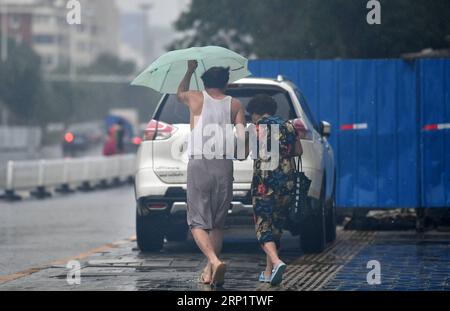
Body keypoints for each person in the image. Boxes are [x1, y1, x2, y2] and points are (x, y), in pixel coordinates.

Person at [177, 60, 246, 287]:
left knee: (197, 222)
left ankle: (214, 261)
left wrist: (189, 70)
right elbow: (242, 138)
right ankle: (210, 270)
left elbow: (179, 93)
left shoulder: (195, 97)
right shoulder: (235, 104)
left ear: (205, 83)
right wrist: (242, 152)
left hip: (199, 164)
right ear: (226, 83)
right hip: (224, 165)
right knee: (217, 223)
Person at [246, 94, 302, 286]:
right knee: (276, 227)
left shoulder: (257, 127)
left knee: (263, 227)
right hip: (286, 183)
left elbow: (252, 153)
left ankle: (277, 262)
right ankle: (269, 272)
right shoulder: (288, 126)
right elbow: (298, 151)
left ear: (255, 113)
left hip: (265, 184)